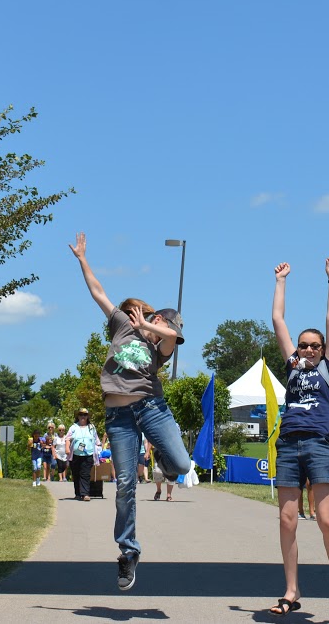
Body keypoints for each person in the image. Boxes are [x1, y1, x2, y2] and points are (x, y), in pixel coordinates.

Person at [71, 232, 193, 592]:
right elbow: (98, 293)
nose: (161, 331)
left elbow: (173, 338)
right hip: (119, 419)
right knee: (125, 484)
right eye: (158, 324)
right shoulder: (123, 326)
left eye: (163, 327)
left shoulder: (162, 348)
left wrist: (152, 327)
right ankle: (128, 552)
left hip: (152, 409)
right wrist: (82, 259)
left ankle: (164, 467)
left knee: (182, 466)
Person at [267, 258, 329, 615]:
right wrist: (281, 281)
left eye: (313, 346)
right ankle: (291, 591)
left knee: (325, 519)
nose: (307, 349)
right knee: (287, 520)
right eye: (303, 345)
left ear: (322, 350)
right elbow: (277, 320)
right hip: (289, 445)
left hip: (320, 445)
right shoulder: (291, 365)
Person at [67, 407, 102, 501]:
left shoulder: (91, 427)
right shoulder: (73, 427)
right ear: (78, 416)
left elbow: (96, 440)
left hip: (88, 454)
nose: (83, 416)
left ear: (87, 417)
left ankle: (85, 494)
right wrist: (67, 449)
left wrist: (100, 449)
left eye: (85, 415)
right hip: (75, 455)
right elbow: (67, 438)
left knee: (85, 474)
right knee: (76, 474)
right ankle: (78, 494)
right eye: (81, 415)